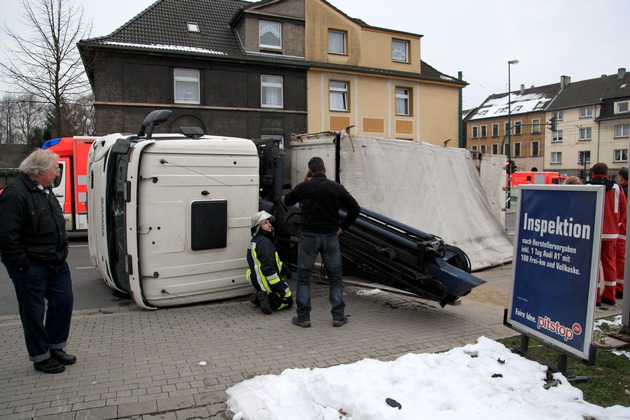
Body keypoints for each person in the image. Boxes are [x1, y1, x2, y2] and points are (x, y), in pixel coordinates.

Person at [0, 149, 76, 373]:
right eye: (54, 168)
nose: (56, 173)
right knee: (33, 312)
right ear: (39, 170)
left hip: (56, 261)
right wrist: (23, 265)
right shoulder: (15, 193)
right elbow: (6, 236)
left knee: (63, 302)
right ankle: (41, 357)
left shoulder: (45, 189)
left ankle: (56, 347)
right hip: (31, 265)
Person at [284, 156, 360, 328]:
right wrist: (342, 227)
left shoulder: (306, 186)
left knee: (303, 277)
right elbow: (356, 209)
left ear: (310, 171)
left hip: (309, 237)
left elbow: (288, 201)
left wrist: (304, 183)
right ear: (324, 170)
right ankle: (338, 316)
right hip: (331, 237)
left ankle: (303, 317)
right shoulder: (336, 188)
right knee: (335, 277)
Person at [589, 163, 627, 306]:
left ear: (593, 173)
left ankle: (596, 296)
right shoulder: (617, 188)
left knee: (594, 265)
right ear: (607, 173)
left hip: (594, 232)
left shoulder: (589, 187)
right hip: (611, 233)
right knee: (610, 263)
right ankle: (610, 295)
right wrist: (617, 224)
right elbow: (623, 208)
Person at [246, 211, 293, 314]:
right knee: (288, 300)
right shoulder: (264, 243)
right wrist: (277, 285)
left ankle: (261, 295)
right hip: (266, 281)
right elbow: (268, 267)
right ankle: (266, 299)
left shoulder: (256, 240)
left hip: (258, 280)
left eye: (269, 222)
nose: (270, 224)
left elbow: (267, 261)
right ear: (258, 227)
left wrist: (283, 266)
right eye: (266, 222)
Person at [616, 167, 628, 299]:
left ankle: (620, 288)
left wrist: (618, 223)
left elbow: (623, 210)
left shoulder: (623, 191)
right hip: (623, 229)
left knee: (619, 259)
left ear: (621, 177)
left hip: (621, 230)